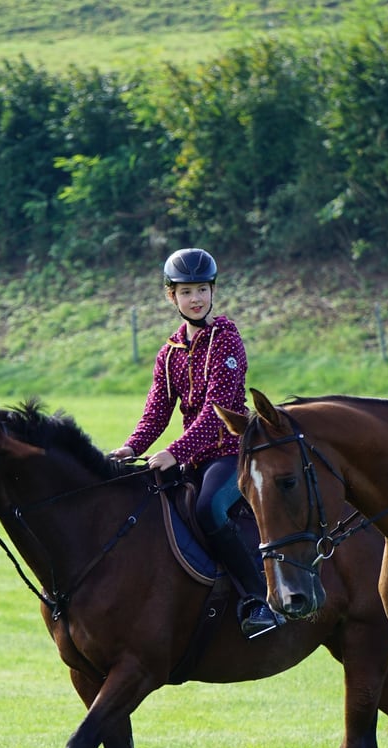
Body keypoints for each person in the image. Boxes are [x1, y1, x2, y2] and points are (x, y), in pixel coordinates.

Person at [111, 247, 279, 637]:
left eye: (202, 289)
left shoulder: (227, 340)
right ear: (172, 296)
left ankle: (258, 600)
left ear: (212, 291)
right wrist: (131, 448)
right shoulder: (168, 354)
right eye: (187, 292)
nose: (196, 298)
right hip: (192, 459)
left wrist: (174, 452)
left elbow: (216, 411)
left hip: (230, 453)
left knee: (208, 509)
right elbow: (157, 411)